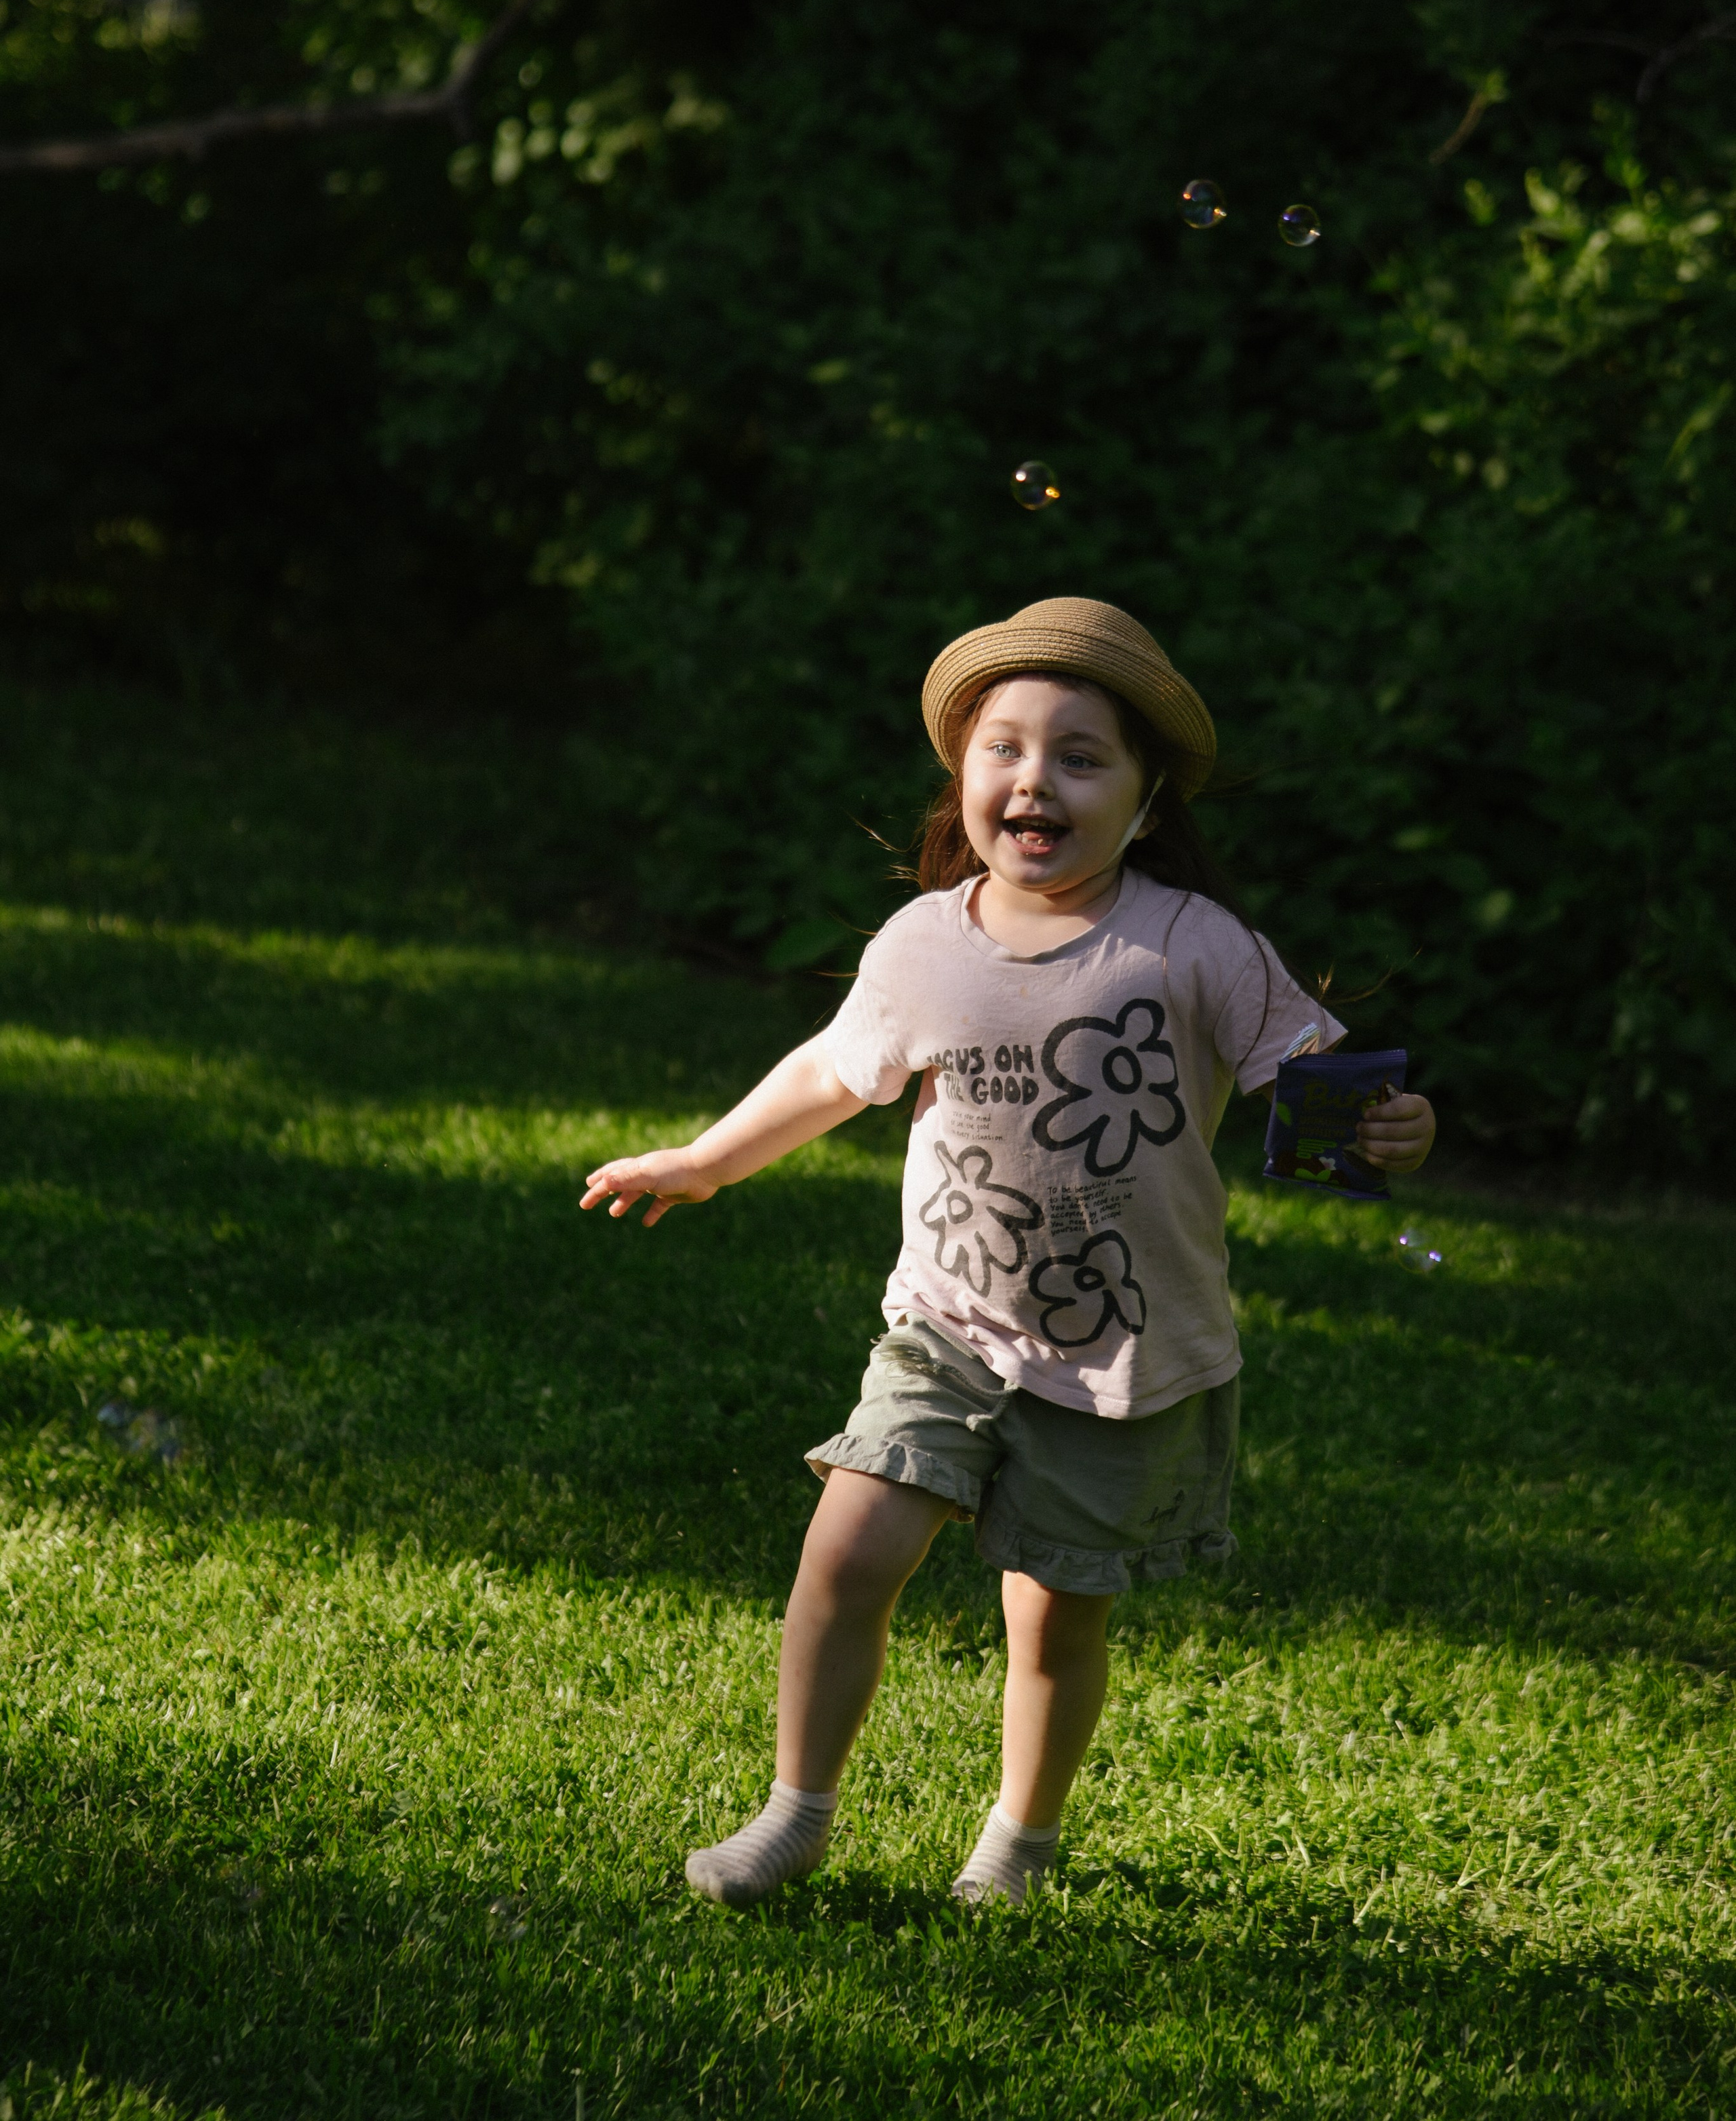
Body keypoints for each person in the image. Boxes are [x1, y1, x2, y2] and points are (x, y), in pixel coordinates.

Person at [580, 596, 1436, 1907]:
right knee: (848, 1549)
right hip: (950, 1321)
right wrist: (705, 1161)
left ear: (1145, 803)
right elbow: (832, 1069)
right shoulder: (926, 942)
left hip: (1122, 1351)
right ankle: (794, 1812)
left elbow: (1325, 1086)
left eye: (1082, 757)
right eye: (1005, 749)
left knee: (1051, 1615)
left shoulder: (1192, 946)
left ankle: (1017, 1845)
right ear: (964, 777)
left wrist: (1394, 1131)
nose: (1035, 778)